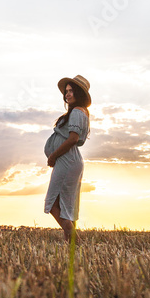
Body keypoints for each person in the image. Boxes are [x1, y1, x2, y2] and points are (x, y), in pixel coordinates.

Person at [43, 75, 91, 242]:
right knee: (66, 205)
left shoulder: (78, 111)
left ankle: (76, 241)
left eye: (71, 91)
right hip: (68, 160)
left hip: (67, 160)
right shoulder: (77, 112)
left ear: (79, 93)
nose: (67, 94)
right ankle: (69, 243)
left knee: (53, 203)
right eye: (66, 91)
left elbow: (72, 139)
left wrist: (53, 156)